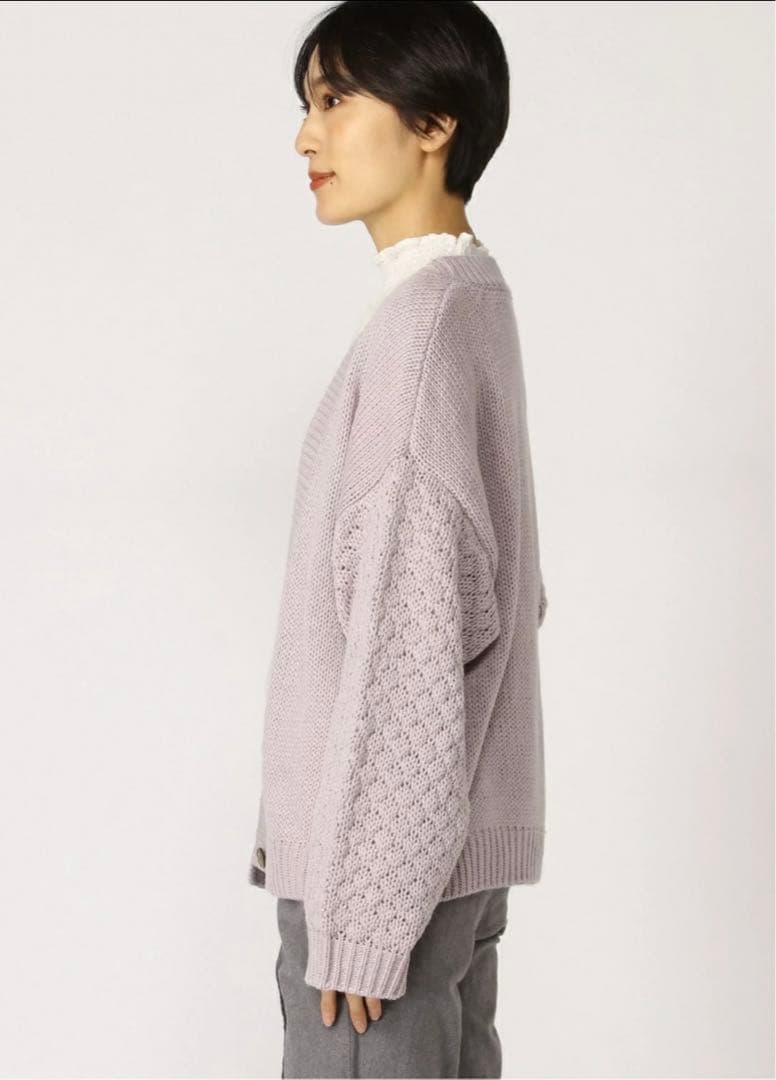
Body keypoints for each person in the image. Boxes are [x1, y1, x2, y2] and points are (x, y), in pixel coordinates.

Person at [249, 2, 549, 1076]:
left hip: (379, 899)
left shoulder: (419, 341)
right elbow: (509, 597)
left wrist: (365, 916)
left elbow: (414, 654)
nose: (306, 136)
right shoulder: (471, 302)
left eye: (334, 100)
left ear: (433, 122)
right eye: (306, 105)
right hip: (444, 873)